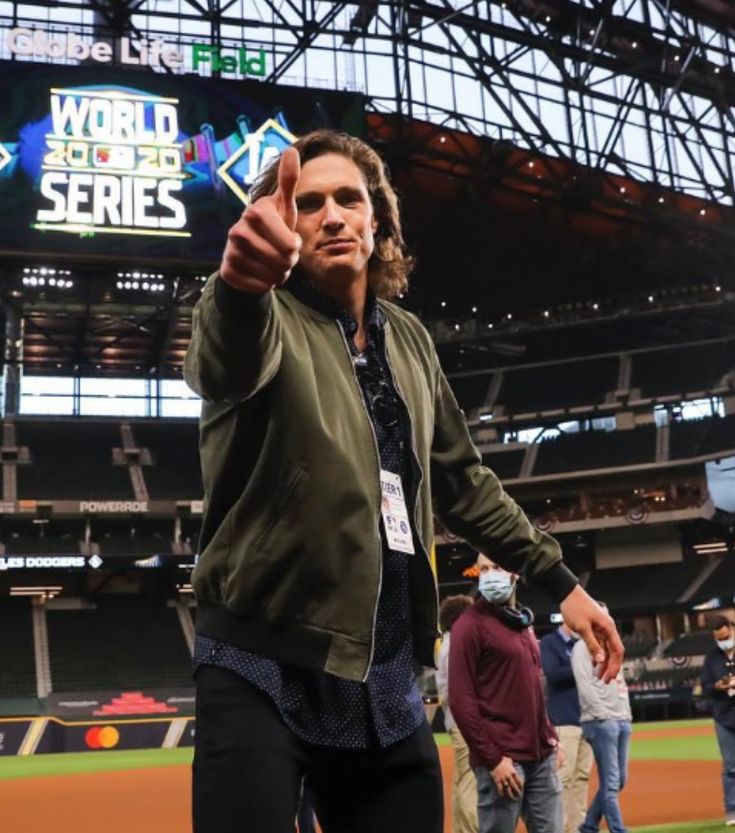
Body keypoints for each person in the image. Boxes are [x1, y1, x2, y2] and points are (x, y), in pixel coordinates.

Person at [184, 128, 623, 833]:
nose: (332, 214)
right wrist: (237, 288)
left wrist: (560, 581)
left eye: (348, 199)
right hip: (260, 656)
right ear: (286, 224)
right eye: (309, 202)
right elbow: (222, 362)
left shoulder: (409, 339)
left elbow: (463, 480)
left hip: (380, 669)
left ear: (376, 219)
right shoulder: (266, 317)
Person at [448, 554, 564, 833]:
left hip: (541, 754)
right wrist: (493, 760)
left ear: (514, 573)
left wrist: (551, 736)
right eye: (484, 569)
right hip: (503, 760)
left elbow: (533, 688)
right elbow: (461, 700)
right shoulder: (469, 625)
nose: (489, 575)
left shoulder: (522, 621)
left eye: (496, 567)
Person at [571, 602, 632, 833]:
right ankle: (618, 830)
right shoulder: (581, 648)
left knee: (619, 780)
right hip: (600, 721)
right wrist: (603, 714)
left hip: (621, 718)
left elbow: (620, 681)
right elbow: (584, 686)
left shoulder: (611, 644)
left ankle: (588, 826)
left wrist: (626, 714)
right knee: (610, 783)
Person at [540, 623, 592, 833]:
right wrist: (581, 665)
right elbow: (552, 674)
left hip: (586, 718)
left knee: (582, 778)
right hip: (563, 721)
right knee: (564, 779)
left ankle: (577, 828)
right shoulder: (551, 643)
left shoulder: (582, 644)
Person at [436, 594, 478, 833]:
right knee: (471, 782)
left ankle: (462, 829)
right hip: (466, 724)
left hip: (457, 722)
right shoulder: (456, 645)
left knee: (463, 781)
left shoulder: (449, 643)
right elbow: (461, 690)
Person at [701, 614, 735, 827]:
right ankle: (732, 810)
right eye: (719, 638)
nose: (723, 641)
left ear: (731, 629)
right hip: (724, 716)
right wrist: (717, 686)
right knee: (731, 767)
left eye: (726, 636)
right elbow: (704, 685)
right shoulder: (711, 658)